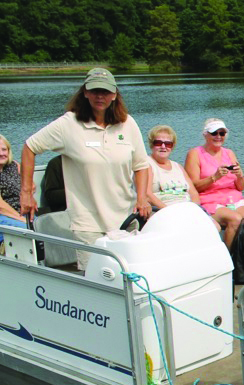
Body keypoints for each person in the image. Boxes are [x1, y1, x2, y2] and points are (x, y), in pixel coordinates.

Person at [18, 68, 150, 269]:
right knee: (97, 281)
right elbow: (30, 147)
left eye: (105, 91)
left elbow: (141, 166)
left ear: (114, 95)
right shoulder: (68, 124)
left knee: (132, 277)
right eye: (95, 90)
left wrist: (142, 198)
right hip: (88, 225)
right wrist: (26, 192)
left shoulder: (127, 123)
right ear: (85, 92)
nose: (100, 96)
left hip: (125, 220)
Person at [184, 118, 244, 250]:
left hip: (233, 199)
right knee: (235, 219)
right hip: (210, 201)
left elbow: (241, 187)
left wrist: (239, 175)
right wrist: (214, 177)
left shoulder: (229, 153)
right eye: (214, 133)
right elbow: (193, 187)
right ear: (205, 134)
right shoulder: (195, 154)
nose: (218, 137)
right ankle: (229, 261)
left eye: (222, 133)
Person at [146, 125, 201, 208]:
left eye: (168, 144)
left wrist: (194, 208)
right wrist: (169, 211)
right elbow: (147, 194)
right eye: (158, 143)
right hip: (163, 211)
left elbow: (193, 194)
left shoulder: (178, 166)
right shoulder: (147, 164)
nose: (163, 147)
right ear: (151, 144)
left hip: (188, 209)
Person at [0, 134, 26, 244]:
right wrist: (21, 219)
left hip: (21, 211)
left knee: (46, 226)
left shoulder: (14, 165)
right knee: (29, 230)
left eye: (4, 149)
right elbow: (1, 206)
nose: (1, 154)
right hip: (4, 215)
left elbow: (29, 186)